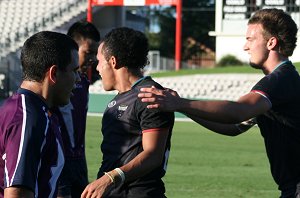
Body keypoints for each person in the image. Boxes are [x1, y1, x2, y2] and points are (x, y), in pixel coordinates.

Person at [138, 8, 300, 198]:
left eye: (250, 39)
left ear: (271, 42)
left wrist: (180, 103)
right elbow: (234, 126)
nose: (245, 47)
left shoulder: (280, 80)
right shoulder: (283, 80)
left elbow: (238, 111)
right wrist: (181, 106)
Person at [81, 27, 174, 198]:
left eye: (100, 61)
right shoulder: (120, 99)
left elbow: (153, 155)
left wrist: (109, 179)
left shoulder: (150, 96)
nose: (97, 69)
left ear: (113, 62)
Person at [0, 31, 80, 197]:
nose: (78, 78)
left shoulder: (36, 110)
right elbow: (17, 193)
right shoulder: (27, 117)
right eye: (74, 70)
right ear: (54, 73)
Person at [52, 21, 100, 198]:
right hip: (59, 161)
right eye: (88, 52)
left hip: (80, 160)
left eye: (95, 53)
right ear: (73, 49)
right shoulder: (56, 82)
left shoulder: (84, 81)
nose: (92, 58)